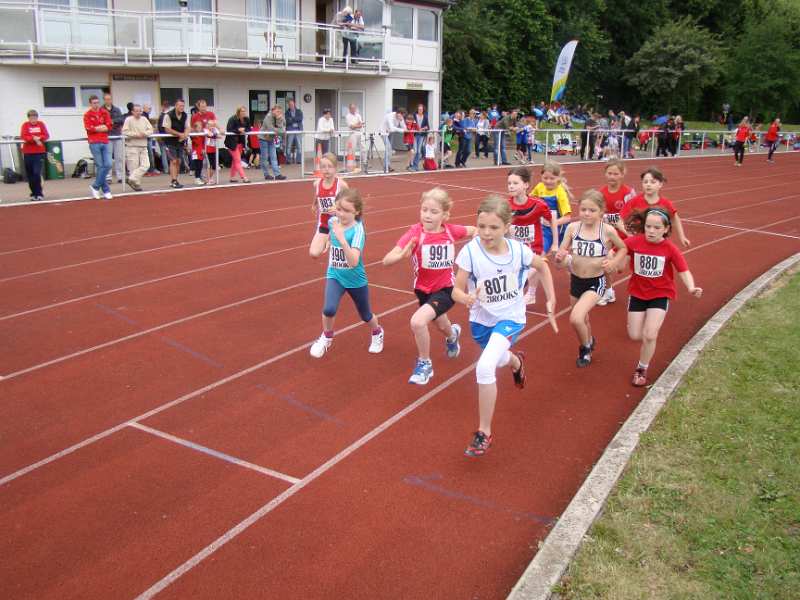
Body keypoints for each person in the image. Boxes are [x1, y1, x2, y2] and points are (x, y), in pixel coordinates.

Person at [452, 195, 556, 457]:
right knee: (498, 359)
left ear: (507, 227)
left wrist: (551, 298)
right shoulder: (470, 252)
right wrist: (465, 298)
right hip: (481, 320)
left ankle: (484, 432)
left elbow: (542, 266)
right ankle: (516, 362)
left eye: (493, 227)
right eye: (482, 226)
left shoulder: (518, 251)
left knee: (485, 366)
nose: (486, 233)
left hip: (511, 317)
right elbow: (456, 290)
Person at [382, 187, 476, 384]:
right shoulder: (415, 233)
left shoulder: (451, 231)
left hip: (447, 289)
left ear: (445, 215)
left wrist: (478, 246)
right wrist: (400, 256)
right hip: (423, 290)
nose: (427, 215)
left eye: (434, 212)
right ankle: (452, 335)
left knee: (418, 322)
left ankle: (425, 364)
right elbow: (386, 260)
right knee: (441, 324)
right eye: (424, 210)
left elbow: (474, 230)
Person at [605, 207, 702, 386]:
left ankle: (642, 368)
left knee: (650, 335)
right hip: (637, 293)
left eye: (657, 228)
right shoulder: (634, 242)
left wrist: (691, 287)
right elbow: (617, 251)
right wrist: (610, 260)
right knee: (635, 335)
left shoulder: (670, 249)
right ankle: (647, 335)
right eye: (648, 226)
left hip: (660, 294)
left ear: (666, 229)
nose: (651, 231)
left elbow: (683, 270)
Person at [309, 187, 385, 357]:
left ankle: (377, 332)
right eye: (339, 209)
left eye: (346, 211)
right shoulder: (332, 222)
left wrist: (342, 240)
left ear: (356, 212)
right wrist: (329, 241)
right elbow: (330, 233)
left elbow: (353, 261)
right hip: (335, 274)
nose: (341, 214)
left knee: (366, 315)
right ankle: (327, 337)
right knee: (329, 309)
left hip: (355, 279)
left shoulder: (358, 230)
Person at [555, 189, 627, 368]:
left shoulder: (607, 231)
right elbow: (561, 256)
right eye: (583, 209)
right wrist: (560, 257)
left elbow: (623, 248)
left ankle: (585, 348)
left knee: (576, 318)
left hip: (596, 282)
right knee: (583, 319)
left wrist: (614, 262)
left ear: (601, 211)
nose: (587, 213)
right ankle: (589, 340)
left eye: (592, 210)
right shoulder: (573, 228)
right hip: (576, 280)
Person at [506, 167, 557, 305]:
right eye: (509, 183)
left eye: (515, 183)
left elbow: (552, 219)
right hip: (515, 247)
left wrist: (555, 243)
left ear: (526, 185)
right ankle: (527, 293)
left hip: (534, 246)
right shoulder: (506, 205)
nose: (511, 186)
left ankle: (530, 292)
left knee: (527, 273)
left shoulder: (538, 205)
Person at [597, 158, 636, 306]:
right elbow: (598, 212)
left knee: (619, 268)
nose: (612, 177)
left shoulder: (628, 193)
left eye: (615, 174)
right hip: (608, 235)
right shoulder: (601, 193)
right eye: (609, 173)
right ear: (605, 174)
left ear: (622, 174)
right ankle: (608, 292)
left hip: (625, 235)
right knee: (605, 262)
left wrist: (630, 230)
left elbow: (635, 213)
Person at [621, 167, 690, 248]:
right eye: (645, 182)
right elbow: (620, 218)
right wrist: (628, 233)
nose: (648, 184)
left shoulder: (665, 203)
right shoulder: (634, 201)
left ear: (660, 184)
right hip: (639, 242)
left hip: (658, 242)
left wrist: (682, 237)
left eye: (653, 182)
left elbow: (675, 219)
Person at [309, 153, 349, 258]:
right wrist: (314, 204)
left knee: (341, 256)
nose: (326, 170)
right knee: (313, 253)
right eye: (323, 167)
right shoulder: (317, 184)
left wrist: (338, 209)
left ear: (335, 168)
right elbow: (318, 194)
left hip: (340, 225)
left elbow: (351, 204)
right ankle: (329, 240)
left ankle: (335, 242)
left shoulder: (341, 185)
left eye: (330, 166)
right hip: (324, 225)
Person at [531, 161, 573, 253]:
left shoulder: (560, 192)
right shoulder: (539, 187)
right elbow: (530, 200)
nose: (548, 181)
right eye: (545, 178)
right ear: (541, 176)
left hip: (559, 229)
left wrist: (553, 223)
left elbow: (567, 217)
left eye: (552, 178)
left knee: (560, 257)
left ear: (558, 178)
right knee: (539, 250)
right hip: (544, 228)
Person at [84, 94, 114, 200]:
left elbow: (109, 126)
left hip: (104, 141)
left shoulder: (104, 112)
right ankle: (106, 190)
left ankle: (95, 186)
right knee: (100, 166)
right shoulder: (87, 114)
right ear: (90, 104)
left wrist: (98, 128)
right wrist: (100, 127)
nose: (96, 104)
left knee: (108, 164)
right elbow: (89, 128)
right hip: (94, 142)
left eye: (97, 102)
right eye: (94, 103)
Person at [121, 103, 153, 192]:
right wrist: (136, 135)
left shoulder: (144, 119)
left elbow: (150, 130)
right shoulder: (128, 120)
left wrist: (144, 134)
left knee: (146, 165)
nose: (138, 113)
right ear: (132, 112)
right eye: (136, 111)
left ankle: (130, 179)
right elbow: (124, 132)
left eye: (140, 111)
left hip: (143, 145)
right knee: (133, 167)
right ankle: (136, 184)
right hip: (132, 146)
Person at [19, 109, 50, 201]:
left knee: (36, 173)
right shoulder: (25, 125)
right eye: (31, 118)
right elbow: (24, 136)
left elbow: (46, 135)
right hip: (28, 153)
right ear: (28, 118)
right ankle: (33, 193)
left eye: (35, 117)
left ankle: (39, 193)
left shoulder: (41, 124)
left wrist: (39, 138)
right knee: (30, 174)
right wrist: (34, 139)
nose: (33, 119)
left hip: (39, 153)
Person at [161, 98, 189, 189]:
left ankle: (175, 180)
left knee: (179, 161)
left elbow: (188, 127)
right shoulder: (168, 115)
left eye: (183, 106)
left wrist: (185, 134)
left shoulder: (185, 115)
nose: (182, 107)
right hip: (170, 142)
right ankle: (174, 180)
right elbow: (167, 129)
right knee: (173, 161)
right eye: (180, 105)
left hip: (180, 142)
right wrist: (179, 134)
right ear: (176, 106)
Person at [260, 104, 287, 181]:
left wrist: (279, 120)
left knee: (274, 156)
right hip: (263, 138)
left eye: (280, 112)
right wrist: (280, 130)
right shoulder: (268, 117)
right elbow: (271, 129)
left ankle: (277, 174)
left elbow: (284, 125)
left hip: (271, 138)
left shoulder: (280, 117)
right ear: (273, 110)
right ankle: (266, 174)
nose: (278, 113)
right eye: (277, 111)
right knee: (265, 158)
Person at [224, 106, 251, 183]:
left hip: (240, 143)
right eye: (242, 111)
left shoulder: (246, 119)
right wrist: (238, 130)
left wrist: (244, 130)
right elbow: (229, 129)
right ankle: (244, 177)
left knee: (235, 161)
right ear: (238, 112)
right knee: (238, 160)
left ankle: (232, 177)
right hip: (231, 143)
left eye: (244, 111)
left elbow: (249, 128)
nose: (243, 113)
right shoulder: (232, 119)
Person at [102, 93, 125, 184]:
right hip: (107, 136)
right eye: (106, 99)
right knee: (108, 158)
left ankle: (120, 176)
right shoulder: (101, 110)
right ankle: (108, 177)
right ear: (104, 100)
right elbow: (102, 121)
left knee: (119, 157)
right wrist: (109, 122)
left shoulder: (117, 110)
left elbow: (121, 120)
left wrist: (112, 121)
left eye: (109, 99)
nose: (108, 101)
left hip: (117, 135)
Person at [379, 108, 406, 172]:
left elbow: (404, 127)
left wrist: (402, 122)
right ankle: (386, 167)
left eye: (403, 116)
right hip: (383, 132)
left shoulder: (400, 117)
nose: (402, 117)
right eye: (401, 116)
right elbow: (392, 128)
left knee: (390, 150)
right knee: (388, 148)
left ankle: (387, 165)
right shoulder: (390, 116)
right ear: (398, 113)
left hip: (390, 133)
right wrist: (402, 130)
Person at [410, 103, 429, 171]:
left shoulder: (425, 117)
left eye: (421, 109)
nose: (420, 110)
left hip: (421, 136)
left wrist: (423, 128)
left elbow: (428, 127)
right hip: (414, 135)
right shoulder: (414, 116)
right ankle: (411, 164)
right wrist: (416, 129)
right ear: (417, 110)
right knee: (415, 151)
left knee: (418, 151)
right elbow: (411, 124)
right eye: (419, 109)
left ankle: (415, 166)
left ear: (423, 110)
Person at [284, 98, 304, 165]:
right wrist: (295, 119)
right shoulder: (287, 112)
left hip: (298, 130)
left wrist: (292, 119)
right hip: (290, 130)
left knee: (299, 146)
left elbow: (300, 119)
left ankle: (299, 160)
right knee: (289, 145)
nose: (291, 105)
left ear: (294, 104)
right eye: (290, 104)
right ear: (288, 105)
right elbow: (287, 121)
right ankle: (288, 160)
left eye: (292, 104)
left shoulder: (299, 111)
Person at [189, 120, 207, 185]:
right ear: (195, 128)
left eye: (201, 127)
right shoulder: (193, 135)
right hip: (196, 152)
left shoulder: (202, 135)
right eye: (199, 127)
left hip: (201, 152)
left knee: (200, 165)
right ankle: (197, 178)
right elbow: (192, 139)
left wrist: (203, 149)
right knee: (197, 166)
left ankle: (199, 178)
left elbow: (203, 143)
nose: (200, 129)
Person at [204, 119, 220, 184]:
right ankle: (208, 179)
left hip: (214, 149)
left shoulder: (214, 129)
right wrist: (215, 135)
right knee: (209, 165)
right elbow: (210, 135)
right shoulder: (205, 130)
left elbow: (219, 134)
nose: (211, 126)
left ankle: (209, 178)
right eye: (210, 125)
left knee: (214, 165)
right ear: (207, 125)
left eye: (212, 125)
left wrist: (215, 134)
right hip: (207, 149)